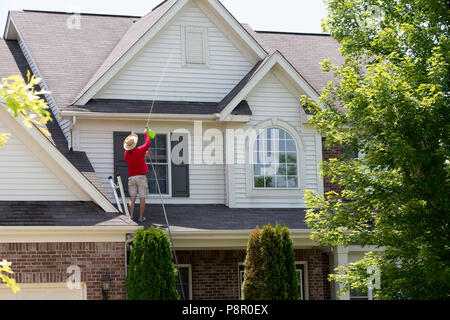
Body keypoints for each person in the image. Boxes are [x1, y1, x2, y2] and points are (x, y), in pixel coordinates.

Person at [123, 130, 151, 223]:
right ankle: (140, 217)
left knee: (132, 198)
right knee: (142, 198)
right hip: (141, 177)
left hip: (131, 178)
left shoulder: (126, 154)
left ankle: (131, 216)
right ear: (134, 144)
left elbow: (136, 156)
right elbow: (148, 143)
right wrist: (146, 133)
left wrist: (144, 154)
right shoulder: (139, 150)